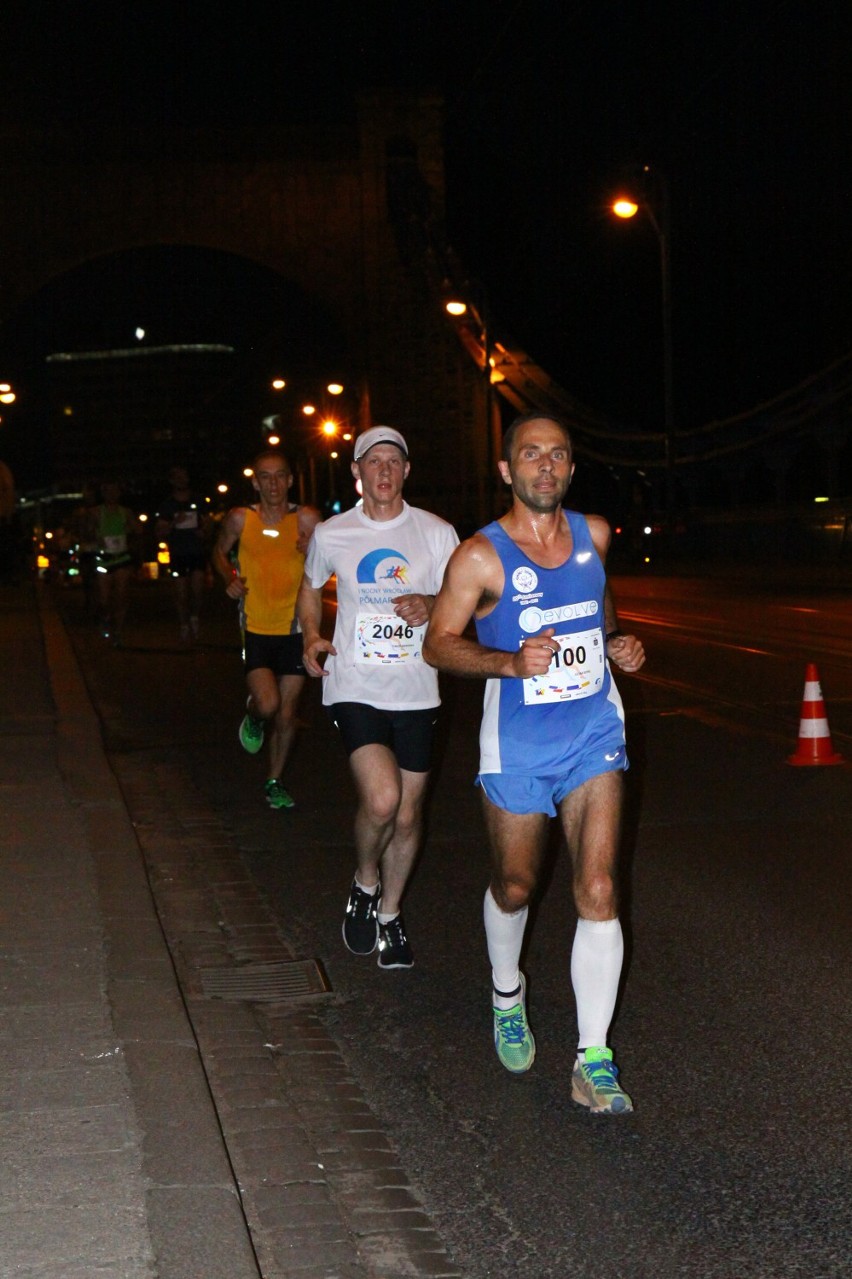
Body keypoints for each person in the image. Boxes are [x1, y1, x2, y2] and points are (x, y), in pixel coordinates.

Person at [423, 411, 645, 1113]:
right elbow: (437, 643)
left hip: (592, 733)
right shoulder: (480, 556)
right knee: (516, 885)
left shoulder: (596, 535)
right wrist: (508, 662)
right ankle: (506, 989)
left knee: (600, 886)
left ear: (571, 468)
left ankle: (593, 1057)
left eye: (558, 456)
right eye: (530, 455)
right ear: (506, 469)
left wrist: (615, 641)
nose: (545, 467)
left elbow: (600, 602)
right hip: (517, 742)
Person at [296, 426, 459, 970]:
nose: (384, 472)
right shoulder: (333, 533)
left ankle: (390, 914)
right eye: (374, 462)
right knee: (384, 799)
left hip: (418, 688)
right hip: (355, 685)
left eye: (394, 461)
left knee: (410, 817)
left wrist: (434, 602)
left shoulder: (437, 533)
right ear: (357, 473)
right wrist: (312, 636)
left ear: (406, 471)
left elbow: (469, 599)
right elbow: (309, 586)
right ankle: (365, 883)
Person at [212, 450, 320, 811]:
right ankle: (254, 715)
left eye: (280, 476)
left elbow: (333, 559)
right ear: (255, 482)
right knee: (269, 704)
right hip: (256, 626)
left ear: (290, 480)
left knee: (288, 714)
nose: (273, 484)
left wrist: (315, 550)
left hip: (295, 628)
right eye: (265, 477)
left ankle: (274, 781)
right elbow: (219, 552)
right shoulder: (240, 519)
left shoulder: (307, 519)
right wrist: (228, 577)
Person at [156, 466, 208, 644]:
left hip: (197, 551)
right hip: (178, 553)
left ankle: (195, 617)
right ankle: (184, 624)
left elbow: (209, 524)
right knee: (181, 592)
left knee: (198, 589)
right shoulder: (167, 504)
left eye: (183, 476)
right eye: (177, 477)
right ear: (172, 481)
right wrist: (172, 523)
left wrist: (204, 531)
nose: (181, 480)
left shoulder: (198, 500)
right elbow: (160, 532)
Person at [94, 480, 140, 646]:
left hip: (122, 557)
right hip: (103, 558)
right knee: (104, 599)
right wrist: (96, 538)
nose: (112, 495)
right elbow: (85, 531)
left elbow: (138, 530)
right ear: (103, 494)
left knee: (121, 596)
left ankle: (118, 632)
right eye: (108, 491)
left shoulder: (126, 512)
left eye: (115, 491)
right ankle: (105, 617)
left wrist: (130, 530)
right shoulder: (96, 512)